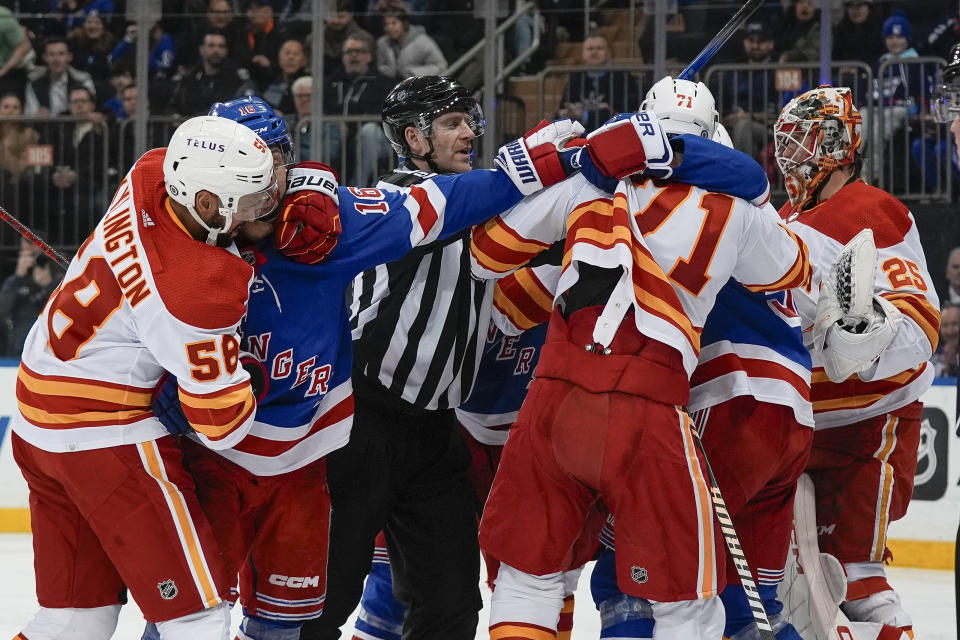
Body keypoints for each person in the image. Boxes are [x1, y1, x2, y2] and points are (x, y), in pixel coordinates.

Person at [144, 92, 590, 640]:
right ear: (414, 138)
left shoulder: (339, 204)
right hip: (362, 427)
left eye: (470, 122)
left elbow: (498, 214)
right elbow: (461, 211)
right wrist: (548, 161)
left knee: (451, 605)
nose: (469, 133)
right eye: (451, 124)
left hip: (436, 434)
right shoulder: (389, 199)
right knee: (320, 606)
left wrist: (553, 165)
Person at [470, 99, 812, 639]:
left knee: (527, 582)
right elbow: (791, 269)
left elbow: (484, 255)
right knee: (687, 607)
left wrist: (534, 173)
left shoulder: (585, 184)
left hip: (554, 401)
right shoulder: (736, 208)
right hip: (652, 408)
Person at [9, 115, 279, 640]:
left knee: (74, 619)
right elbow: (223, 426)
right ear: (207, 204)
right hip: (105, 443)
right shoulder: (202, 290)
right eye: (250, 200)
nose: (264, 207)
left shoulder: (150, 173)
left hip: (35, 421)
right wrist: (243, 373)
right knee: (196, 617)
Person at [586, 83, 812, 640]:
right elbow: (804, 283)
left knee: (626, 578)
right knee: (749, 606)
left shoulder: (641, 197)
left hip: (724, 402)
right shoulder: (747, 199)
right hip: (791, 417)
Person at [774, 85, 940, 636]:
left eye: (802, 143)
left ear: (836, 146)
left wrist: (866, 336)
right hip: (800, 428)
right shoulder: (781, 219)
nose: (789, 157)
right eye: (785, 143)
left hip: (868, 426)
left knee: (858, 579)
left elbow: (920, 324)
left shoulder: (872, 209)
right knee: (781, 582)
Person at [324, 33, 394, 184]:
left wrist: (352, 125)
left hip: (374, 139)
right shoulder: (331, 82)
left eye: (359, 51)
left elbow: (382, 114)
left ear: (369, 56)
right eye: (349, 52)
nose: (353, 56)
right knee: (327, 131)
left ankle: (358, 188)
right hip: (339, 136)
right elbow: (325, 109)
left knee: (369, 131)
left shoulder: (382, 83)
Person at [556, 34, 640, 130]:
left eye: (599, 48)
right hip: (579, 135)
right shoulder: (576, 77)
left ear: (609, 53)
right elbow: (564, 107)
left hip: (612, 133)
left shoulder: (622, 77)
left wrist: (584, 116)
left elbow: (624, 112)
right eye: (590, 49)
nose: (594, 52)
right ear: (583, 54)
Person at [170, 28, 254, 116]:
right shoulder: (189, 77)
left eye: (221, 46)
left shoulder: (238, 79)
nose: (216, 51)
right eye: (211, 45)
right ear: (201, 49)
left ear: (226, 51)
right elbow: (174, 107)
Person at [0, 240, 57, 357]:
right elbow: (3, 310)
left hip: (47, 350)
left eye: (33, 244)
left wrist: (48, 287)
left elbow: (62, 311)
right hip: (17, 349)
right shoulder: (13, 280)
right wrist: (18, 276)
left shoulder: (55, 276)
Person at [24, 36, 97, 116]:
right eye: (51, 54)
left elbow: (91, 110)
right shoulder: (34, 83)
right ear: (45, 57)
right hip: (46, 127)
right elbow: (30, 115)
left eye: (61, 54)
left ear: (69, 57)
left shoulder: (83, 81)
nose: (56, 59)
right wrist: (38, 116)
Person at [375, 1, 447, 81]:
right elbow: (380, 66)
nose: (389, 28)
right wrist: (390, 72)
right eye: (386, 24)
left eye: (394, 23)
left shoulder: (422, 41)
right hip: (390, 85)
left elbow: (441, 66)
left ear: (404, 23)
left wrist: (412, 73)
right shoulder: (382, 43)